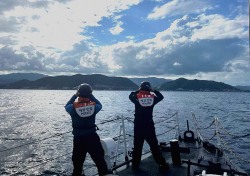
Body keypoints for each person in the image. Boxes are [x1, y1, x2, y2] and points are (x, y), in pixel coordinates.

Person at [65, 83, 110, 176]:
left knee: (78, 163)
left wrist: (74, 96)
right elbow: (100, 104)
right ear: (90, 93)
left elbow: (67, 105)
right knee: (99, 160)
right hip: (92, 137)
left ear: (79, 93)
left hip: (78, 139)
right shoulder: (93, 107)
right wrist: (91, 95)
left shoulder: (72, 108)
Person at [129, 81, 169, 172]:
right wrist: (153, 90)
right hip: (149, 125)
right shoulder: (152, 98)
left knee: (137, 146)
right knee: (154, 146)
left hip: (138, 125)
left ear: (140, 88)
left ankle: (135, 165)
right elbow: (161, 97)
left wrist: (137, 91)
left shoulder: (136, 97)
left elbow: (130, 96)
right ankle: (162, 163)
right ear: (149, 88)